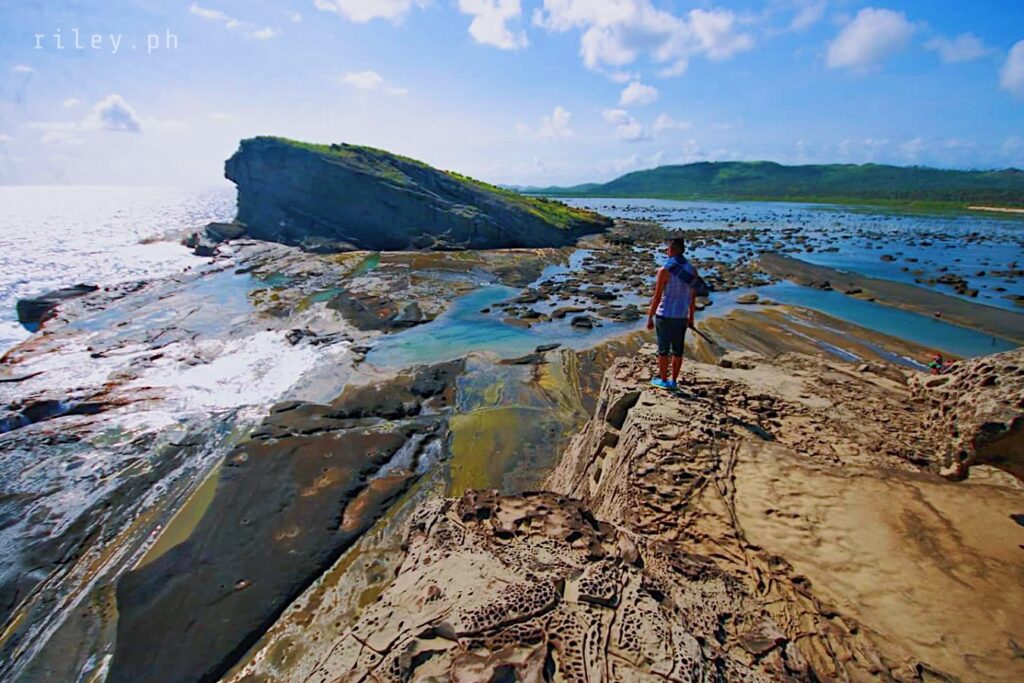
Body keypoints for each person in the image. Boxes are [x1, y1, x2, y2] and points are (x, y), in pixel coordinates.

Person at [647, 237, 698, 390]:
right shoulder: (691, 270)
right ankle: (674, 381)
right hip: (681, 315)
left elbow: (657, 296)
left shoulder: (664, 270)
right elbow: (692, 296)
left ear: (672, 251)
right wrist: (691, 317)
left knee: (663, 350)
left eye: (668, 249)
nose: (666, 252)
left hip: (665, 314)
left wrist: (650, 316)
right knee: (678, 350)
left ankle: (663, 380)